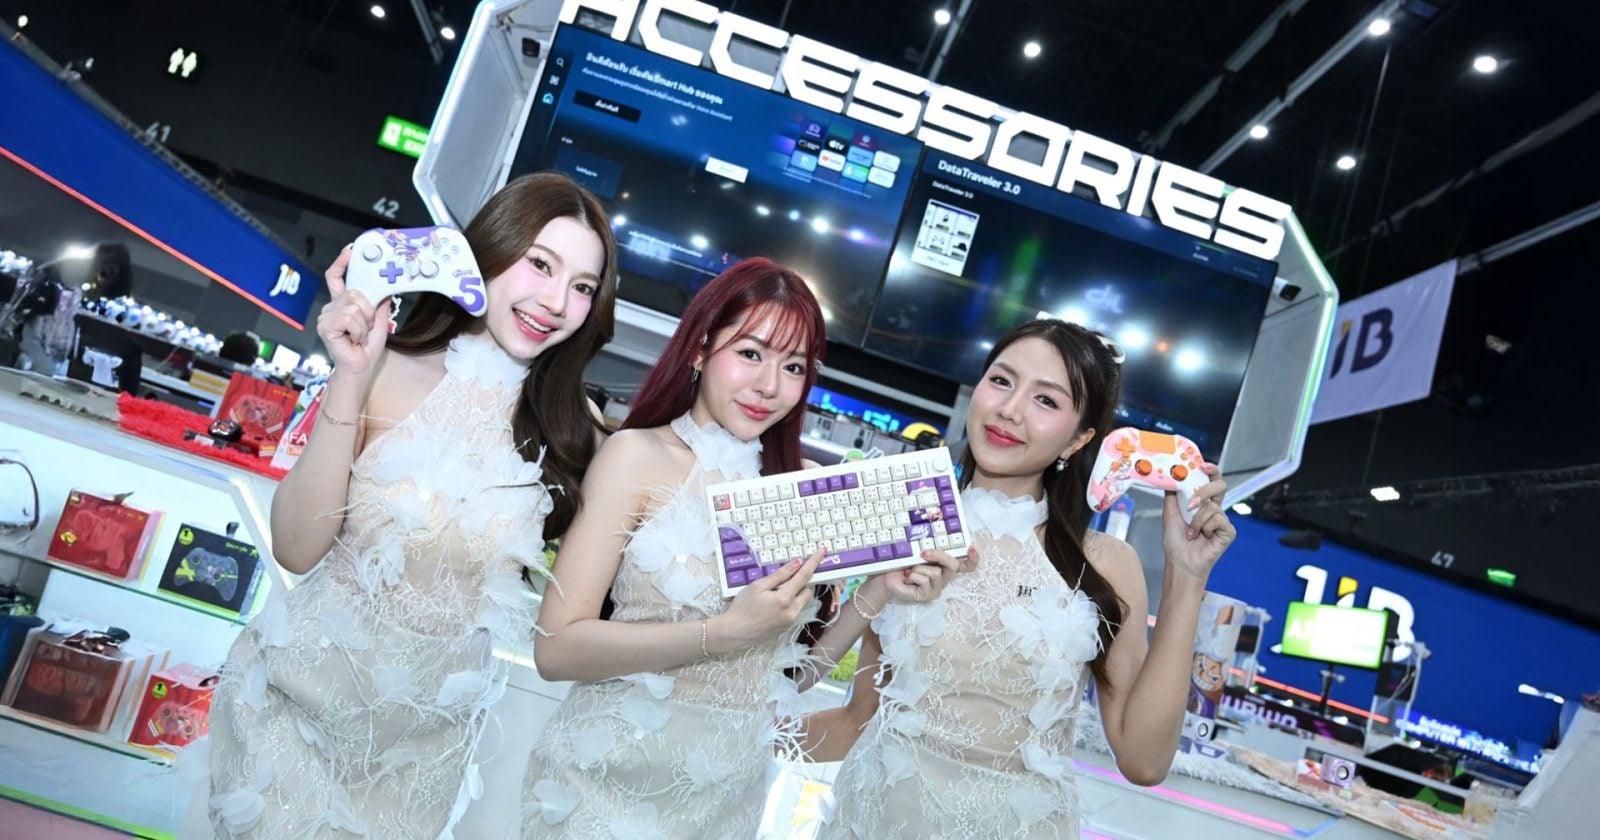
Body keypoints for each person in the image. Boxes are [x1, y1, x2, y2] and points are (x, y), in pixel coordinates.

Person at [201, 172, 618, 839]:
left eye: (582, 287)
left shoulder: (576, 432)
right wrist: (350, 379)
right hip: (293, 708)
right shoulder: (382, 365)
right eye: (540, 264)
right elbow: (296, 548)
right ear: (490, 250)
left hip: (422, 755)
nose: (554, 301)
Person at [520, 257, 967, 839]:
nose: (770, 386)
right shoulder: (637, 457)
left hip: (725, 802)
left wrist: (880, 591)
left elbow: (786, 678)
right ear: (700, 349)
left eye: (794, 366)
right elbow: (556, 650)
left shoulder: (800, 486)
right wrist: (724, 632)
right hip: (601, 786)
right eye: (751, 353)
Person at [818, 318, 1237, 839]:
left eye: (1046, 400)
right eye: (1001, 381)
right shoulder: (910, 524)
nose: (1010, 410)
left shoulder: (1105, 564)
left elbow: (1144, 761)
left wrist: (1187, 576)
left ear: (1078, 439)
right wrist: (736, 737)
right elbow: (857, 718)